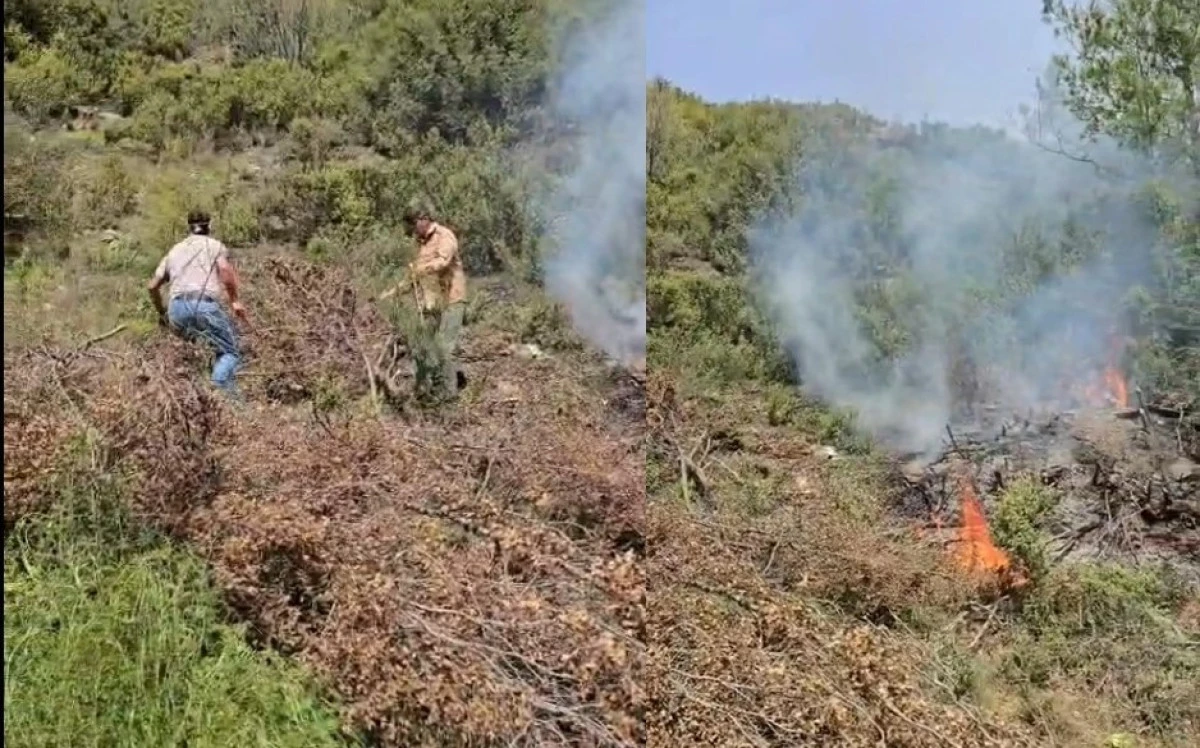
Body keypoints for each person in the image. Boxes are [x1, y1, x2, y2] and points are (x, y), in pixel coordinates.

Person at [147, 210, 248, 397]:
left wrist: (162, 312)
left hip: (176, 309)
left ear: (189, 227)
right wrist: (235, 301)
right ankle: (226, 398)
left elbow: (153, 286)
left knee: (191, 356)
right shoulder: (214, 246)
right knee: (229, 353)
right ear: (209, 225)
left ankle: (192, 402)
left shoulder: (175, 250)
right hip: (204, 305)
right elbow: (225, 270)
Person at [380, 206, 467, 399]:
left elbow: (443, 261)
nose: (412, 229)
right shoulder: (420, 244)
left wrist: (421, 269)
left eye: (413, 223)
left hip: (452, 300)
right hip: (431, 304)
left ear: (423, 219)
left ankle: (448, 397)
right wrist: (391, 293)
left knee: (444, 347)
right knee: (421, 346)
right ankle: (424, 392)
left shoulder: (445, 235)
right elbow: (412, 277)